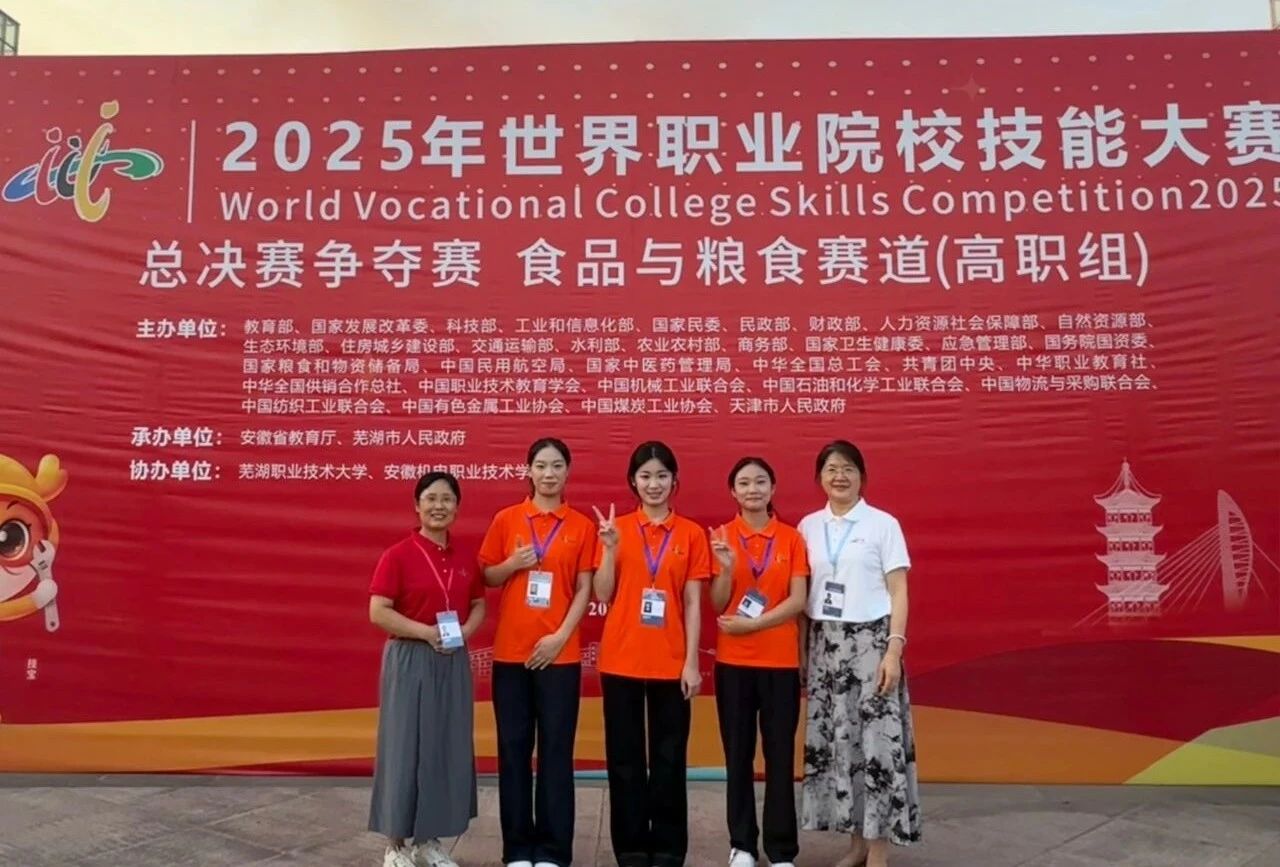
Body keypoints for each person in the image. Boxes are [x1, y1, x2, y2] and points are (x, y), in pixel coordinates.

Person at [797, 441, 921, 867]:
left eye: (848, 468)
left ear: (862, 477)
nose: (840, 476)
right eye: (832, 468)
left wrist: (894, 650)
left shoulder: (883, 524)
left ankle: (879, 851)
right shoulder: (808, 526)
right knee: (842, 747)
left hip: (871, 645)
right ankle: (856, 844)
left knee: (877, 747)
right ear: (820, 477)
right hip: (824, 646)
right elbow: (803, 595)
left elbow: (899, 591)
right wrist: (802, 654)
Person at [592, 441, 711, 867]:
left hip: (672, 663)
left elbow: (693, 602)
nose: (654, 484)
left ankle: (668, 848)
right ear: (633, 482)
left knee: (669, 759)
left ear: (674, 481)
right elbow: (602, 593)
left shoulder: (691, 533)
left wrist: (692, 662)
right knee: (624, 760)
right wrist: (609, 549)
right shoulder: (616, 529)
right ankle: (630, 849)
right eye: (645, 476)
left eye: (662, 476)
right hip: (621, 660)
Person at [479, 437, 595, 867]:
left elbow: (584, 588)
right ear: (528, 470)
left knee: (555, 752)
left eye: (557, 466)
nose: (549, 474)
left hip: (559, 656)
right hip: (511, 655)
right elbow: (488, 575)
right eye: (541, 466)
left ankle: (552, 850)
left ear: (568, 471)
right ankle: (517, 849)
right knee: (513, 751)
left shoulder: (581, 525)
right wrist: (513, 565)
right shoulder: (507, 519)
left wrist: (561, 636)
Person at [368, 471, 486, 867]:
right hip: (410, 657)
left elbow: (478, 603)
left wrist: (465, 632)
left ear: (457, 507)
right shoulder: (398, 555)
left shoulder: (465, 557)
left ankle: (428, 840)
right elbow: (378, 611)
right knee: (404, 746)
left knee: (444, 747)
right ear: (417, 506)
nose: (439, 506)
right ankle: (395, 844)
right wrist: (426, 633)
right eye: (431, 498)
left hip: (451, 659)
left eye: (447, 499)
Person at [708, 457, 810, 867]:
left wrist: (755, 625)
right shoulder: (720, 536)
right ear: (732, 491)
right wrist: (726, 571)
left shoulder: (791, 538)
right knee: (738, 757)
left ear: (773, 488)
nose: (753, 489)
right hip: (733, 664)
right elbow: (717, 604)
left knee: (780, 757)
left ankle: (782, 850)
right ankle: (743, 845)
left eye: (761, 482)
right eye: (745, 483)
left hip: (780, 664)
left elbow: (798, 600)